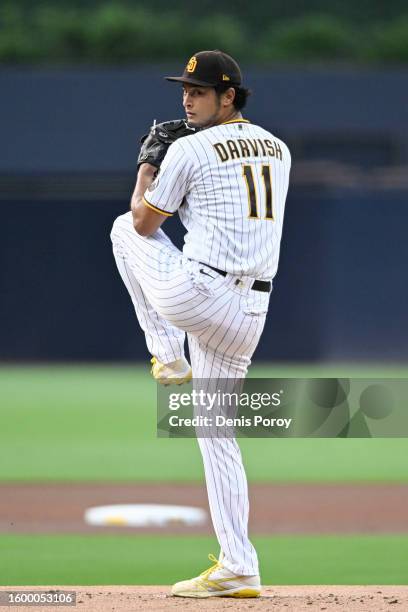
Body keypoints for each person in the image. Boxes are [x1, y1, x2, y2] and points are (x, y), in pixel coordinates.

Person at [110, 49, 291, 598]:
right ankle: (240, 565)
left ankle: (166, 353)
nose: (188, 99)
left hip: (200, 294)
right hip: (251, 312)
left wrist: (148, 165)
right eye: (185, 90)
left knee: (121, 227)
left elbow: (145, 224)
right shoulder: (279, 149)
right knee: (216, 434)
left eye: (200, 91)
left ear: (229, 95)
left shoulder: (188, 149)